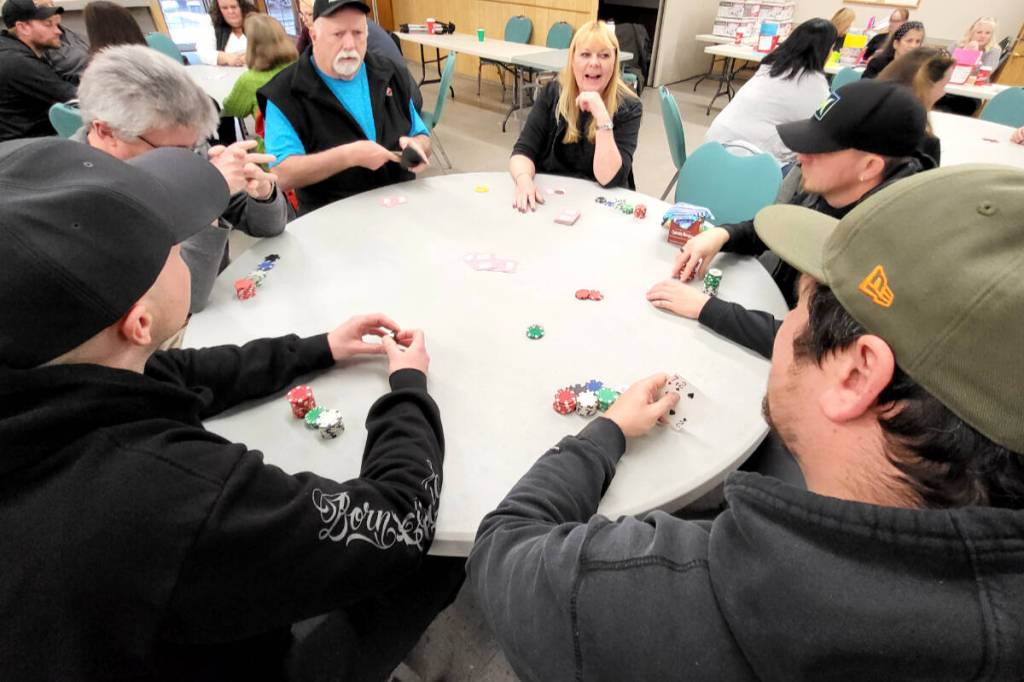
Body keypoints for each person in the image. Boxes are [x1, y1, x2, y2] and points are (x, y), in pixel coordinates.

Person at [468, 160, 1024, 681]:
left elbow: (503, 551)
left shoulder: (655, 593)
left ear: (856, 376)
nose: (779, 326)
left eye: (796, 307)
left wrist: (604, 434)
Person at [0, 136, 463, 680]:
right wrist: (408, 388)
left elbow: (178, 374)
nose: (187, 246)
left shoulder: (50, 374)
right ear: (139, 320)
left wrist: (318, 349)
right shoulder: (175, 495)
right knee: (440, 565)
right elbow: (400, 519)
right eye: (173, 244)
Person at [649, 79, 933, 318]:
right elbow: (774, 227)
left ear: (870, 166)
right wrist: (723, 234)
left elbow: (809, 341)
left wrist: (707, 309)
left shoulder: (881, 249)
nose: (800, 157)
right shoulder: (834, 187)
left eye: (818, 149)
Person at [76, 45, 287, 315]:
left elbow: (269, 228)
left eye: (193, 147)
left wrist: (262, 192)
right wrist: (205, 195)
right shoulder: (81, 201)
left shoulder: (173, 142)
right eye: (174, 151)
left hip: (219, 306)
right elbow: (187, 300)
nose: (188, 159)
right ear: (106, 132)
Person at [259, 0, 431, 214]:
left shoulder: (390, 73)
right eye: (338, 34)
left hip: (400, 208)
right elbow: (283, 174)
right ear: (314, 37)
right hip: (332, 219)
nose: (350, 44)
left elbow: (422, 135)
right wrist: (349, 156)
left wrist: (418, 145)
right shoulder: (285, 93)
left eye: (358, 33)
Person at [510, 20, 642, 212]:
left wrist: (602, 117)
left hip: (601, 206)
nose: (594, 63)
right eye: (585, 54)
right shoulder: (552, 93)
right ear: (572, 59)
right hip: (550, 201)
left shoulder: (629, 107)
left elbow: (608, 178)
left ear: (615, 62)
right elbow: (522, 152)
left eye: (604, 55)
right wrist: (523, 181)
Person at [705, 18, 836, 168]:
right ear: (825, 50)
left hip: (714, 145)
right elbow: (821, 131)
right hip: (748, 160)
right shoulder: (814, 84)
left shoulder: (771, 66)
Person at [0, 0, 77, 141]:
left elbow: (55, 81)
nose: (58, 31)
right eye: (48, 24)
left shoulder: (10, 49)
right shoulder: (19, 62)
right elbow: (75, 98)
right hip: (25, 150)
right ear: (22, 27)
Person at [878, 46, 955, 164]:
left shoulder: (865, 109)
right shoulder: (924, 143)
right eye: (943, 85)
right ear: (928, 87)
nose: (943, 93)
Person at [222, 14, 297, 126]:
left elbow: (233, 109)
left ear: (251, 45)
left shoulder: (249, 80)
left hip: (272, 141)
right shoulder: (300, 68)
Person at [34, 0, 87, 83]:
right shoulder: (39, 45)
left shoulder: (71, 34)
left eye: (52, 4)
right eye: (45, 7)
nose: (53, 9)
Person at [197, 0, 256, 66]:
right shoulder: (210, 21)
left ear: (244, 7)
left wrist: (245, 58)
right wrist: (226, 58)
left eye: (234, 7)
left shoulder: (255, 19)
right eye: (224, 8)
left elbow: (267, 49)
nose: (230, 11)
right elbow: (204, 52)